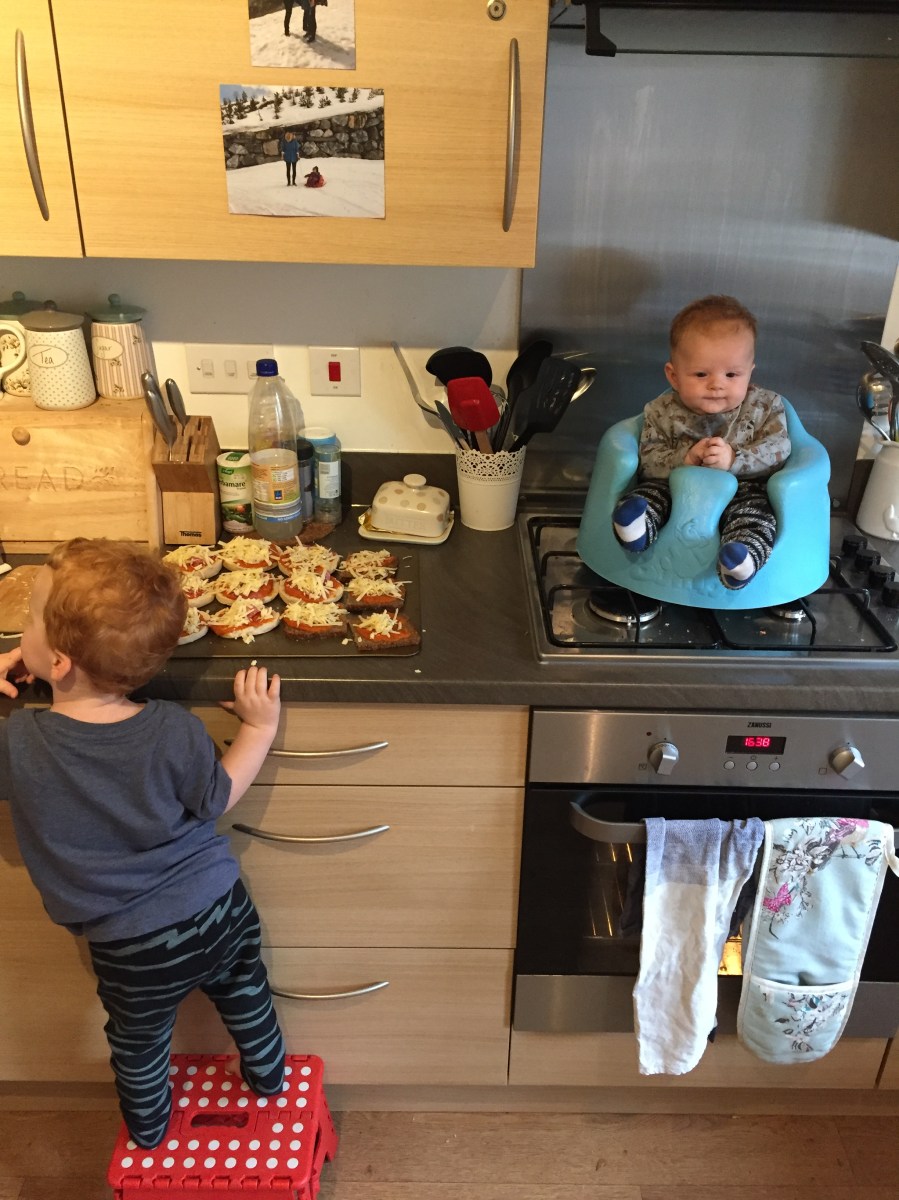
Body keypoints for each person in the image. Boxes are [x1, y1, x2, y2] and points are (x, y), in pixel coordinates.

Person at [0, 538, 286, 1149]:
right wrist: (259, 727)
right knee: (246, 991)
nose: (22, 628)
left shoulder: (20, 743)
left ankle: (150, 1133)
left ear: (59, 663)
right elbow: (217, 798)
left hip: (131, 946)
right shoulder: (173, 728)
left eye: (30, 618)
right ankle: (270, 1079)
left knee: (139, 1042)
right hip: (221, 907)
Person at [611, 294, 791, 590]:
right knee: (649, 494)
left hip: (744, 491)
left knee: (758, 517)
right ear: (674, 376)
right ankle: (636, 528)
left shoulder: (766, 407)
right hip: (674, 488)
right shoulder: (661, 410)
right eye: (701, 374)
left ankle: (740, 560)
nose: (717, 384)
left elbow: (779, 449)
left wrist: (734, 460)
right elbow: (648, 459)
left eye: (732, 374)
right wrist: (684, 460)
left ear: (749, 373)